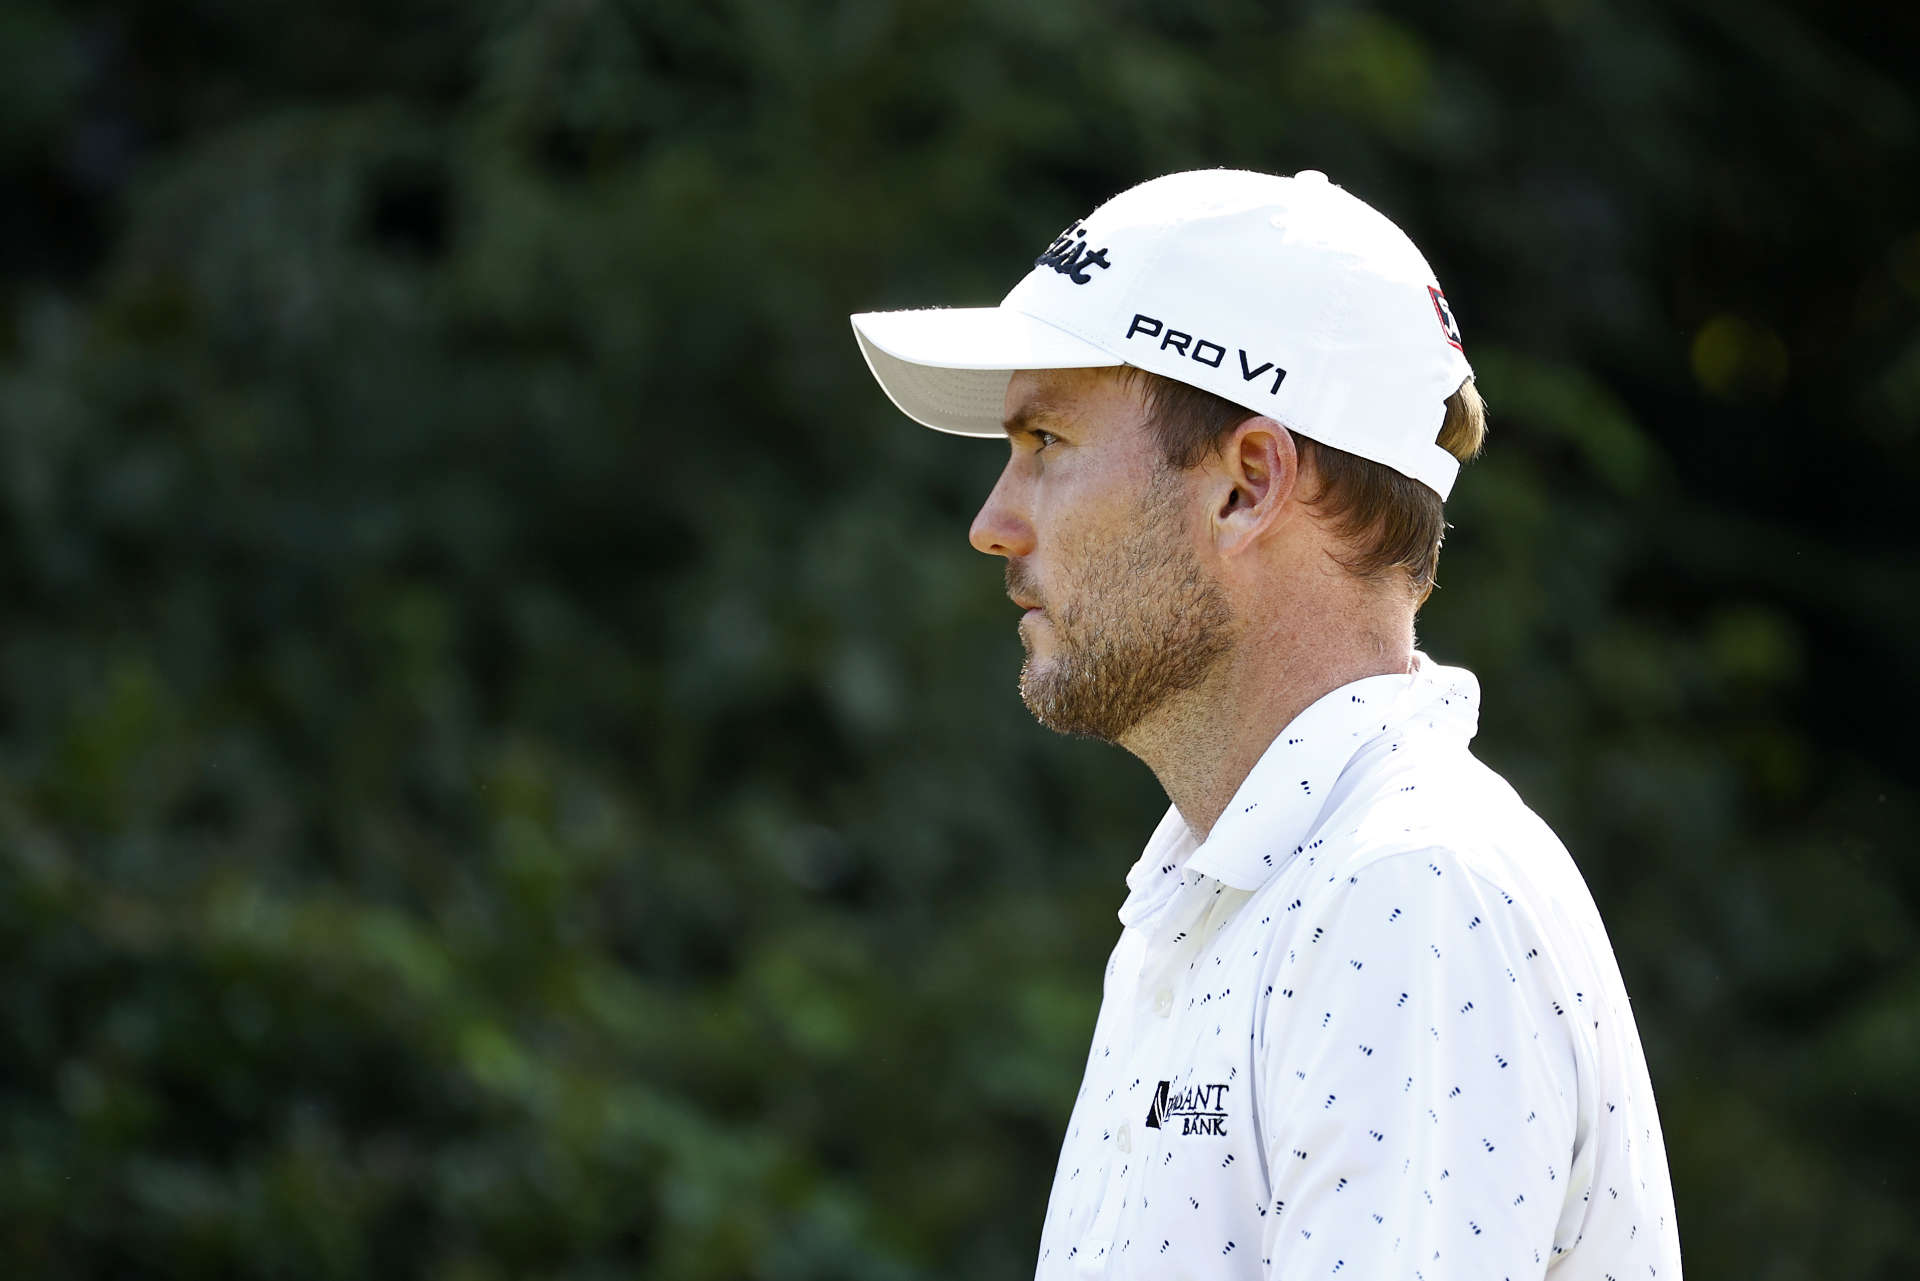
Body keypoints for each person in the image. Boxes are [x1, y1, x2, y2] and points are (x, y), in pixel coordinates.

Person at [848, 169, 1681, 1281]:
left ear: (1247, 485)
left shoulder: (1410, 891)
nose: (991, 524)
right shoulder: (1225, 898)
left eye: (1044, 441)